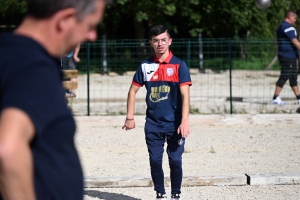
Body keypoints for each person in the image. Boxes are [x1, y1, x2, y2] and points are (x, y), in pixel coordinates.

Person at [0, 0, 106, 199]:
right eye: (90, 26)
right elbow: (7, 149)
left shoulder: (9, 54)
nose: (92, 36)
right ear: (65, 19)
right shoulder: (33, 68)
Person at [122, 25, 192, 200]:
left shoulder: (179, 65)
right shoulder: (145, 66)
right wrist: (130, 117)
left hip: (175, 123)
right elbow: (132, 91)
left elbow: (185, 95)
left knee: (175, 160)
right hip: (153, 123)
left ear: (169, 41)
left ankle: (176, 194)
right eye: (156, 40)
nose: (160, 44)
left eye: (163, 40)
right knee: (155, 160)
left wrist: (185, 121)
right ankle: (160, 193)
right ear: (151, 43)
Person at [271, 10, 300, 105]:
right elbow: (295, 42)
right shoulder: (288, 27)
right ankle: (275, 98)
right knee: (285, 75)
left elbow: (277, 43)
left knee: (293, 77)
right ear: (290, 17)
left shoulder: (280, 27)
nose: (295, 20)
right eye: (295, 18)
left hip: (286, 55)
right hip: (288, 55)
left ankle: (299, 98)